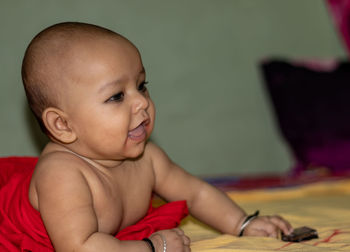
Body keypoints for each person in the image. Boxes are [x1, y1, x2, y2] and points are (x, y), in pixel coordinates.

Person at [17, 22, 292, 251]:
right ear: (62, 124)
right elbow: (80, 248)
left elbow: (195, 193)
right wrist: (151, 246)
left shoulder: (147, 157)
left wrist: (241, 224)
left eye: (141, 86)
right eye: (117, 96)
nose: (141, 103)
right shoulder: (62, 175)